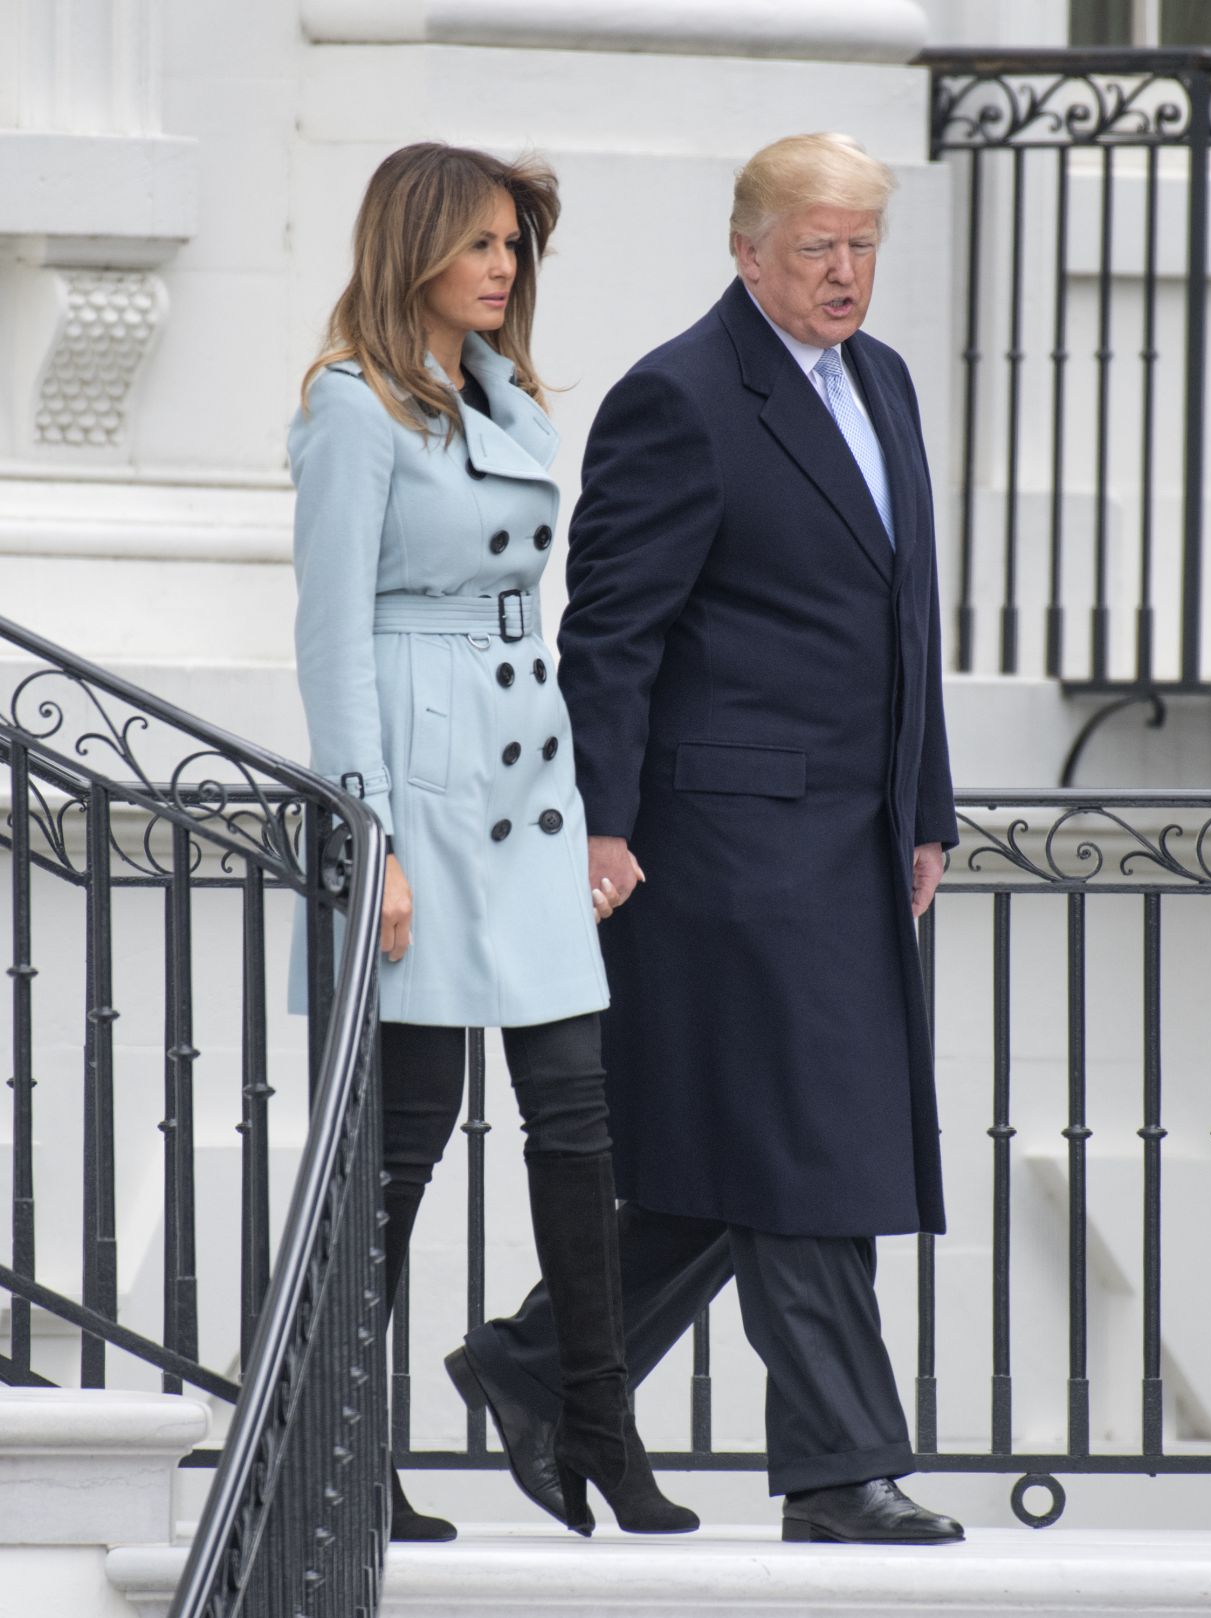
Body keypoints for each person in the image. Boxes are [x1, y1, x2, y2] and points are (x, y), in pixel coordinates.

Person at [446, 132, 964, 1546]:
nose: (846, 271)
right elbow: (610, 630)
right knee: (803, 1140)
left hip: (852, 838)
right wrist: (597, 821)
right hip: (721, 843)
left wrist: (928, 807)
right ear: (747, 249)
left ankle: (536, 1363)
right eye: (817, 246)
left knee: (747, 1149)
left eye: (863, 244)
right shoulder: (679, 395)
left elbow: (902, 622)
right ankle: (840, 1467)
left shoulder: (887, 381)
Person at [288, 141, 697, 1543]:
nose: (504, 266)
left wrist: (591, 822)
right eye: (479, 243)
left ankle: (596, 1421)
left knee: (577, 1120)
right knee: (398, 1151)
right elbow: (333, 641)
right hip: (420, 783)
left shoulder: (506, 396)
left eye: (516, 244)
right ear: (412, 247)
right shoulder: (353, 410)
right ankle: (341, 1450)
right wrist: (372, 837)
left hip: (526, 789)